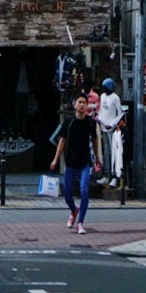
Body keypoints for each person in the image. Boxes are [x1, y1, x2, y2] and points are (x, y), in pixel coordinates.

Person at [50, 93, 102, 234]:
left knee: (84, 191)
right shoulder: (69, 122)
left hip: (85, 162)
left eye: (84, 102)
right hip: (71, 162)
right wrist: (55, 159)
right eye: (79, 102)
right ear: (74, 105)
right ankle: (74, 210)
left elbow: (95, 140)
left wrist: (97, 158)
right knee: (67, 193)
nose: (82, 105)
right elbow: (62, 141)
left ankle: (80, 223)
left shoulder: (90, 122)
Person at [97, 78, 124, 184]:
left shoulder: (115, 98)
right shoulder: (102, 96)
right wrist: (99, 120)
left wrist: (112, 124)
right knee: (106, 152)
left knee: (114, 152)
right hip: (103, 127)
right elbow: (101, 111)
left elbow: (120, 113)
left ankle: (114, 176)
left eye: (105, 87)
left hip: (111, 129)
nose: (104, 89)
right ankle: (106, 175)